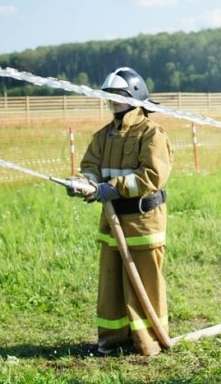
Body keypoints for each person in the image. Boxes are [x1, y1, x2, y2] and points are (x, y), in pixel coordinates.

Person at [67, 66, 173, 357]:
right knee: (111, 284)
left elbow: (152, 174)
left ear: (135, 97)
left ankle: (148, 340)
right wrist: (82, 183)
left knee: (144, 284)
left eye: (118, 96)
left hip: (143, 222)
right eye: (109, 97)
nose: (112, 102)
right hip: (112, 222)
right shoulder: (104, 136)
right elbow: (90, 166)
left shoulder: (151, 134)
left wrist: (112, 187)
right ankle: (111, 340)